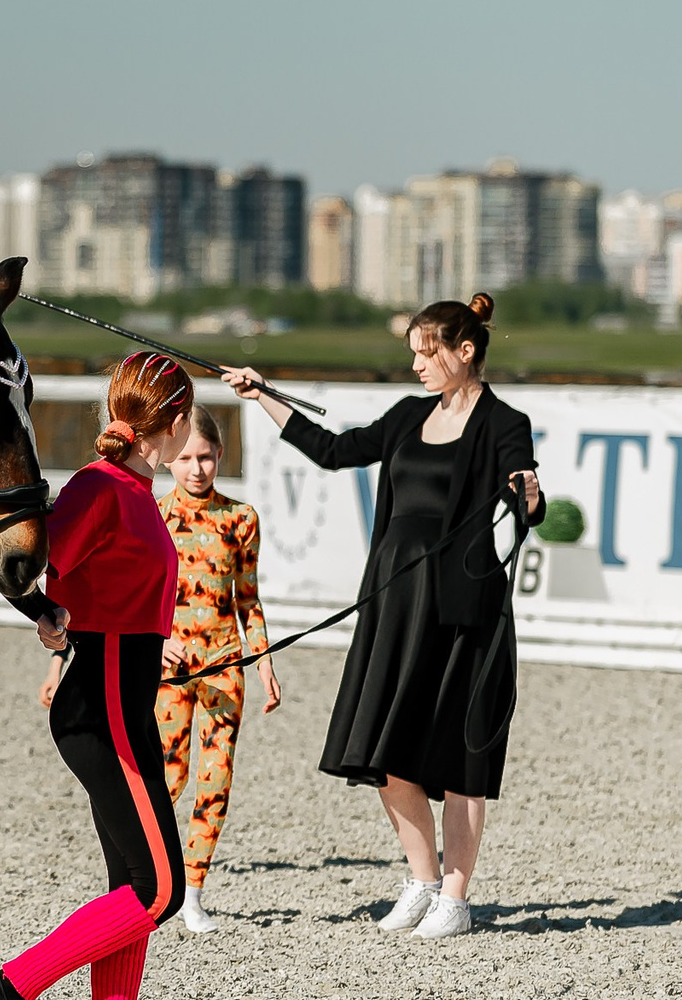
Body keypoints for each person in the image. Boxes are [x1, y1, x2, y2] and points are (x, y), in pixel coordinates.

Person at [223, 293, 543, 941]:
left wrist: (529, 492)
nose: (419, 365)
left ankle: (456, 896)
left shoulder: (505, 422)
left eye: (428, 353)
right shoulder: (405, 416)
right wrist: (264, 395)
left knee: (459, 756)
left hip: (462, 610)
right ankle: (422, 880)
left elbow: (524, 489)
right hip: (395, 604)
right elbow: (336, 449)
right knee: (386, 749)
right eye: (414, 355)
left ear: (466, 350)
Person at [0, 351, 200, 1000]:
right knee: (161, 890)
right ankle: (16, 983)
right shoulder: (99, 488)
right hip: (100, 702)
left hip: (124, 698)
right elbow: (16, 559)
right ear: (172, 422)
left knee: (129, 883)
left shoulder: (132, 487)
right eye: (186, 419)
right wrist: (43, 612)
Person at [152, 405, 279, 933]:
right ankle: (148, 880)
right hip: (168, 666)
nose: (196, 468)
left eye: (205, 456)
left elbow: (248, 598)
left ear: (221, 455)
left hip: (226, 662)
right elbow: (138, 594)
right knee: (168, 774)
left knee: (216, 777)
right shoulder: (154, 514)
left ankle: (194, 890)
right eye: (184, 458)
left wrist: (265, 661)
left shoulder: (241, 519)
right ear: (167, 460)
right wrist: (156, 643)